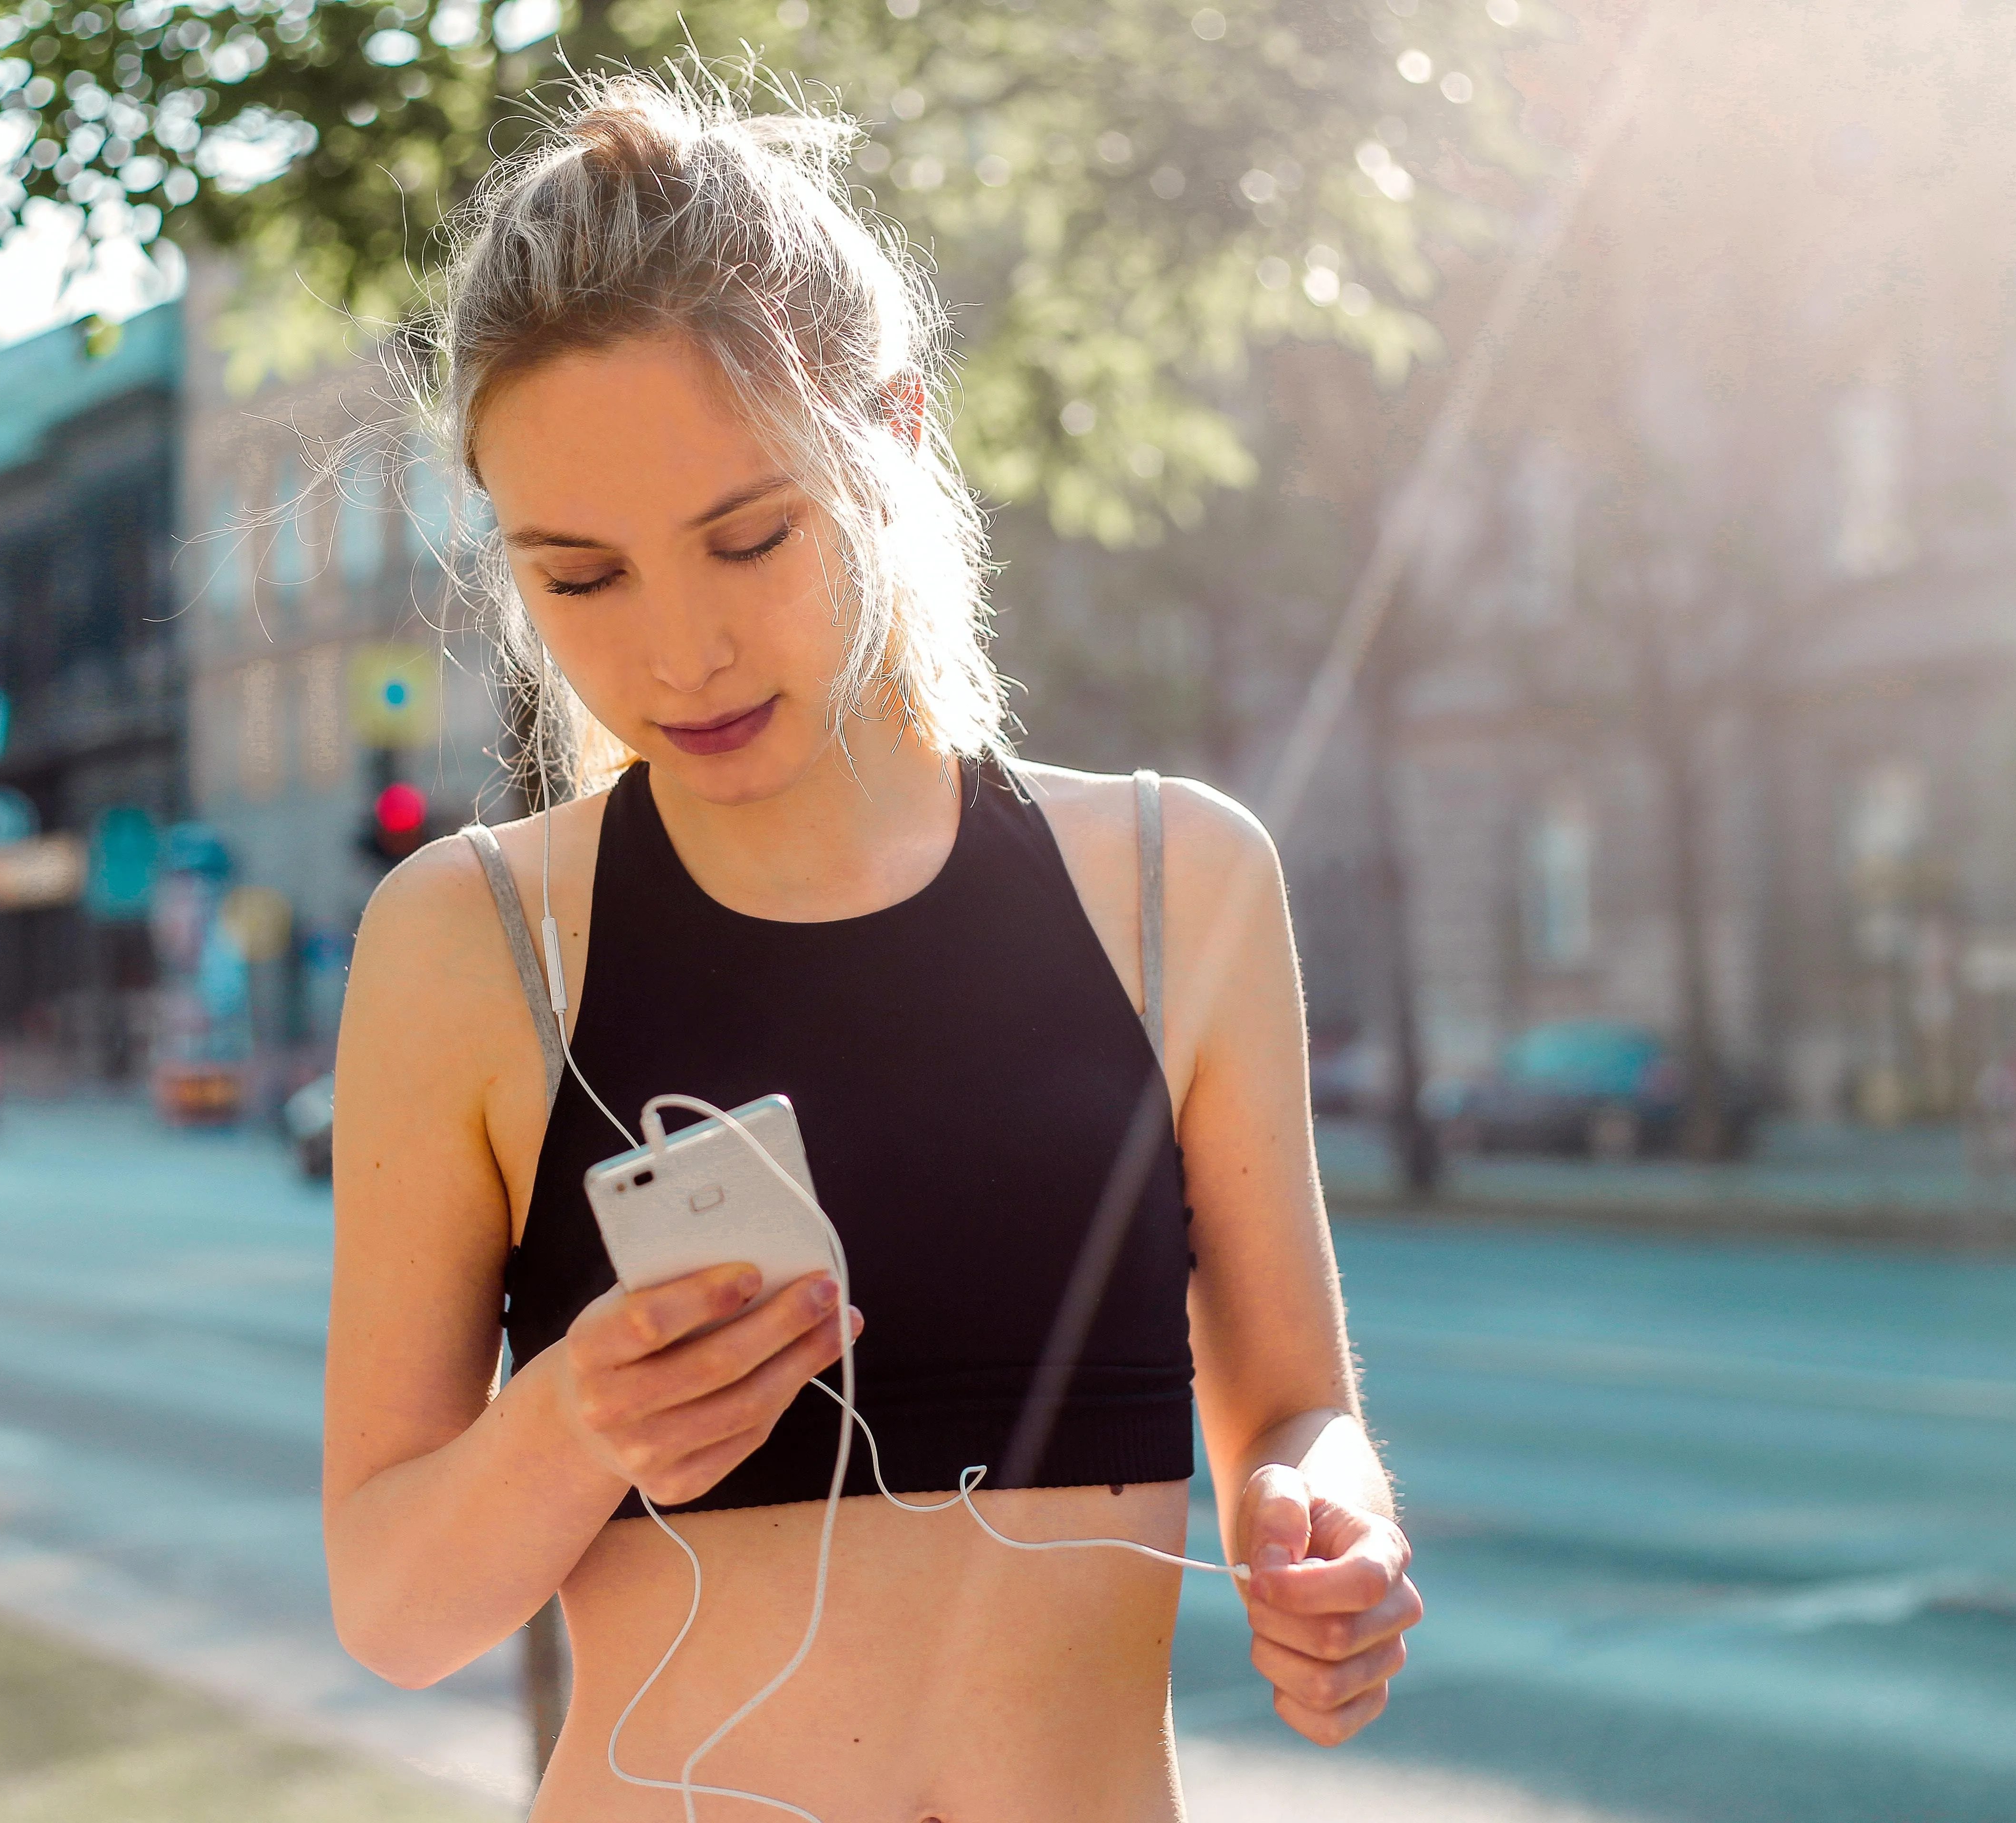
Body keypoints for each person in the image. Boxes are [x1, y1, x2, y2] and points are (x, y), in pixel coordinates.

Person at [324, 71, 1421, 1820]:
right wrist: (570, 1430)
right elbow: (390, 1606)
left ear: (895, 434)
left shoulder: (1175, 885)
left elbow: (1292, 1411)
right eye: (579, 578)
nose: (678, 651)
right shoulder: (474, 942)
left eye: (750, 538)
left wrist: (1331, 1524)